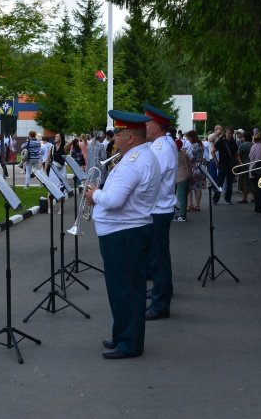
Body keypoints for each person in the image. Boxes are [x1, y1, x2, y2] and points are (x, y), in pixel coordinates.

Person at [83, 110, 159, 359]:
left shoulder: (134, 161)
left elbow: (114, 200)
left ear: (131, 137)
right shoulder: (137, 157)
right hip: (125, 231)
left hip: (124, 234)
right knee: (121, 288)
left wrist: (94, 194)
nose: (114, 138)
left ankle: (130, 342)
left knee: (126, 289)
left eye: (118, 133)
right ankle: (122, 335)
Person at [144, 103, 178, 320]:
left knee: (158, 258)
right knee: (158, 257)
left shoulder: (160, 148)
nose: (144, 127)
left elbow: (150, 180)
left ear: (155, 126)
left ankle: (161, 304)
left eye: (146, 123)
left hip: (158, 208)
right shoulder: (165, 143)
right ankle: (161, 291)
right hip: (160, 207)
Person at [212, 127, 237, 205]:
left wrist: (240, 162)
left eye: (231, 133)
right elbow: (213, 151)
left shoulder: (233, 142)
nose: (230, 135)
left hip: (231, 165)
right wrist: (216, 161)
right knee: (219, 183)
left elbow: (236, 154)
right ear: (225, 133)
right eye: (228, 133)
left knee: (230, 183)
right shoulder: (221, 142)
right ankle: (215, 199)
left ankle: (228, 199)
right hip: (222, 165)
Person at [46, 132, 67, 214]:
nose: (55, 137)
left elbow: (68, 146)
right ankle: (49, 208)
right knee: (51, 188)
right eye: (55, 136)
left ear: (61, 138)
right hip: (53, 169)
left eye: (57, 136)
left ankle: (61, 208)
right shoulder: (51, 148)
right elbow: (48, 159)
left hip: (62, 169)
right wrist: (45, 169)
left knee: (62, 189)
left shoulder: (64, 148)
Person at [185, 130, 206, 212]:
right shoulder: (201, 145)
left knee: (189, 188)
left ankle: (190, 204)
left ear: (191, 137)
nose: (188, 140)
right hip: (200, 168)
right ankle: (197, 205)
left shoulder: (193, 146)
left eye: (188, 138)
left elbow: (190, 158)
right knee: (198, 188)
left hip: (193, 168)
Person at [249, 131, 261, 214]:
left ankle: (258, 208)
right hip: (260, 169)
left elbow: (250, 156)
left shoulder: (253, 146)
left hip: (252, 169)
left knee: (258, 190)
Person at [174, 140, 191, 222]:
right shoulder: (184, 154)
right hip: (187, 175)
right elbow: (189, 165)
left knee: (181, 197)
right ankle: (183, 214)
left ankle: (182, 215)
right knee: (184, 196)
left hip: (180, 177)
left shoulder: (174, 154)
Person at [237, 132, 253, 203]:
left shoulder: (242, 145)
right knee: (252, 181)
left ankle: (244, 198)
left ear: (245, 137)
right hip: (252, 165)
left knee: (244, 182)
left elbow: (238, 155)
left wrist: (240, 162)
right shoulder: (253, 145)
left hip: (244, 165)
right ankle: (254, 196)